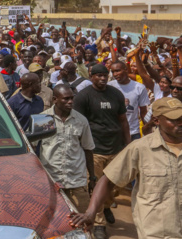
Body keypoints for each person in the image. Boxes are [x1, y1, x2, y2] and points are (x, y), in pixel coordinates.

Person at [69, 97, 182, 239]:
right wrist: (90, 213)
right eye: (174, 119)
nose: (180, 123)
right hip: (157, 232)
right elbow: (109, 180)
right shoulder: (140, 148)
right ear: (157, 120)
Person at [73, 64, 130, 239]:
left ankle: (106, 206)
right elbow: (78, 124)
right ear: (91, 77)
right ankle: (99, 224)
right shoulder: (83, 97)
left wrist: (128, 145)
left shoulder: (116, 94)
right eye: (98, 75)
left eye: (105, 75)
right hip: (95, 149)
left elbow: (123, 121)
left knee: (116, 186)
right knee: (96, 186)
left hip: (116, 148)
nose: (103, 78)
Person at [39, 85, 95, 213]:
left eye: (71, 98)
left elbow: (88, 149)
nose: (70, 102)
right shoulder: (43, 119)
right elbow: (32, 147)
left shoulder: (81, 120)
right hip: (52, 180)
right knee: (55, 217)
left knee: (82, 217)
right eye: (66, 99)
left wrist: (92, 178)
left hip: (76, 180)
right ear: (55, 99)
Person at [108, 61, 150, 141]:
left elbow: (143, 111)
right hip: (114, 132)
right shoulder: (109, 87)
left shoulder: (139, 87)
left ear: (126, 70)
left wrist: (148, 128)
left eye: (117, 71)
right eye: (113, 72)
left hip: (134, 132)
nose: (115, 74)